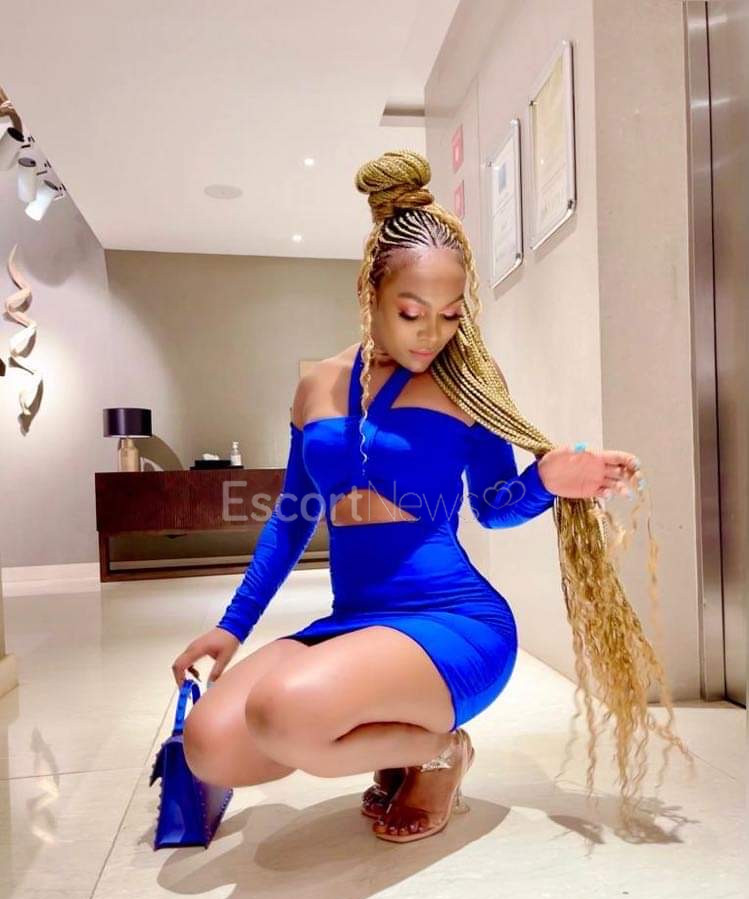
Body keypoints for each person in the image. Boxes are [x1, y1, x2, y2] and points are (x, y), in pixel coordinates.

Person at [172, 150, 693, 843]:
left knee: (282, 713)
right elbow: (292, 519)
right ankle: (395, 737)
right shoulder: (316, 386)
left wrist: (547, 481)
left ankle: (440, 751)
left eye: (449, 315)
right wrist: (231, 627)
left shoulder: (465, 384)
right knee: (210, 744)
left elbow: (494, 505)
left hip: (451, 620)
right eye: (411, 311)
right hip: (355, 621)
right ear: (371, 292)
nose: (432, 334)